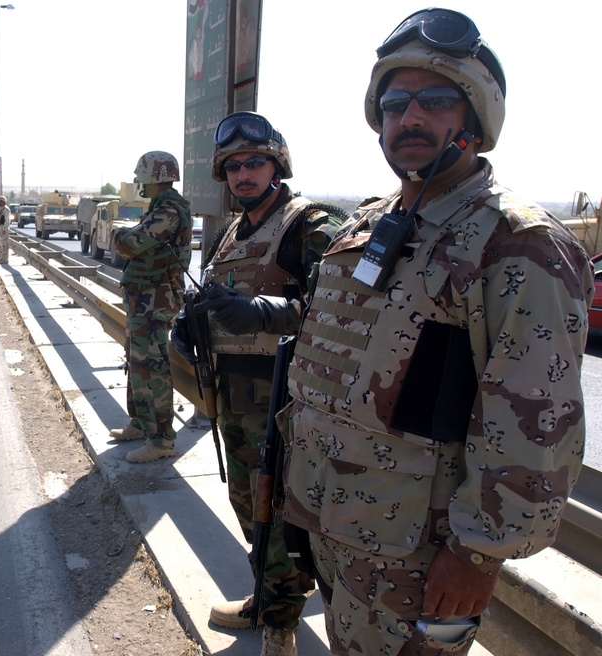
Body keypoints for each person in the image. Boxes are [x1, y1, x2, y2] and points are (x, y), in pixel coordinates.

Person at [215, 10, 594, 655]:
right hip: (334, 526)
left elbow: (534, 421)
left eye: (436, 100)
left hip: (421, 558)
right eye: (395, 104)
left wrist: (477, 557)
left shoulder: (517, 243)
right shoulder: (371, 222)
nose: (410, 117)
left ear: (475, 116)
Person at [187, 112, 345, 655]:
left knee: (280, 513)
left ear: (277, 165)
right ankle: (265, 596)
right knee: (246, 502)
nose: (243, 174)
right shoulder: (236, 230)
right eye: (233, 166)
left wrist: (263, 311)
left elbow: (342, 312)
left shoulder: (309, 224)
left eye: (254, 162)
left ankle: (280, 627)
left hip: (285, 395)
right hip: (234, 397)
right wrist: (198, 317)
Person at [109, 151, 192, 463]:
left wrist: (119, 234)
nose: (138, 182)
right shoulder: (161, 207)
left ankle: (161, 440)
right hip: (144, 298)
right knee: (137, 363)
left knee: (152, 367)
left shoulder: (169, 210)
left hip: (156, 300)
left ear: (152, 176)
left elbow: (131, 244)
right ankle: (141, 424)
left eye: (142, 176)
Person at [0, 195, 11, 265]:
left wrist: (4, 228)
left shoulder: (6, 210)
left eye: (1, 202)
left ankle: (5, 259)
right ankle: (1, 257)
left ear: (4, 202)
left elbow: (7, 220)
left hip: (3, 227)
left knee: (4, 243)